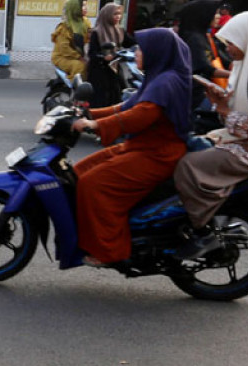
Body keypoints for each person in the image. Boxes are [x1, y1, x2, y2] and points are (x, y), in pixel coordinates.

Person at [69, 28, 193, 267]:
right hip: (141, 147)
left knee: (94, 184)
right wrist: (90, 114)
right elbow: (126, 107)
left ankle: (110, 252)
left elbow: (141, 115)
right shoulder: (157, 77)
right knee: (79, 173)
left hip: (159, 154)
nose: (136, 53)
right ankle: (88, 238)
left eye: (141, 49)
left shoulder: (167, 81)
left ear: (157, 52)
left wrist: (95, 125)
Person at [173, 11, 248, 259]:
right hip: (243, 140)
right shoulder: (247, 68)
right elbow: (240, 114)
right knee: (189, 146)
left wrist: (226, 110)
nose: (228, 49)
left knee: (188, 165)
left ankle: (202, 229)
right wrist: (221, 102)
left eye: (232, 43)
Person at [177, 0, 230, 109]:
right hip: (196, 96)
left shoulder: (205, 36)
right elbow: (205, 69)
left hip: (206, 91)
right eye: (216, 13)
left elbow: (222, 59)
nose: (219, 16)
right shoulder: (194, 39)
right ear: (204, 15)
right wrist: (235, 75)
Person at [86, 3, 137, 108]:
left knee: (119, 95)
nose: (118, 17)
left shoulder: (120, 30)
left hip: (114, 67)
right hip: (99, 70)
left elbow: (131, 42)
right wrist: (104, 57)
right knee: (101, 100)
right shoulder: (97, 32)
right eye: (115, 14)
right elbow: (92, 53)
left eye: (120, 14)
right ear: (107, 15)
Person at [50, 0, 90, 82]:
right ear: (75, 8)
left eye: (86, 5)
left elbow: (89, 37)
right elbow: (64, 48)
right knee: (80, 66)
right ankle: (75, 87)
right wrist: (79, 57)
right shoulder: (64, 27)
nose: (86, 8)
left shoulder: (85, 22)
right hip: (62, 57)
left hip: (79, 55)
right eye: (83, 6)